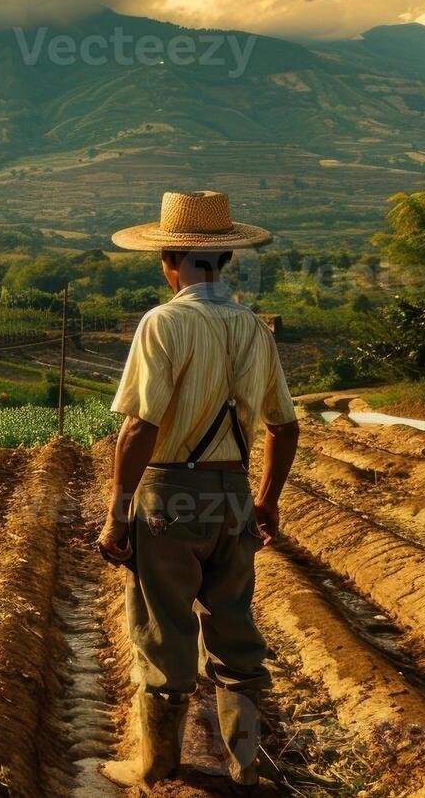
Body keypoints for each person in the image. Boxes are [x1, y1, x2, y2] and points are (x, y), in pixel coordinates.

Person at [96, 190, 300, 791]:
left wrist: (117, 514)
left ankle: (157, 762)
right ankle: (247, 767)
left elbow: (139, 426)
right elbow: (284, 425)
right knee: (235, 630)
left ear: (169, 261)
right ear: (226, 261)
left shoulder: (163, 323)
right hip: (233, 495)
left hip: (169, 495)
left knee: (164, 628)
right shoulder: (253, 328)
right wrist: (266, 500)